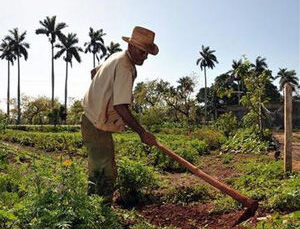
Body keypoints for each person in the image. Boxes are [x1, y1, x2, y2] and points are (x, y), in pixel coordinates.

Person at [81, 26, 159, 203]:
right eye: (142, 51)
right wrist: (142, 133)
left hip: (90, 117)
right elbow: (121, 106)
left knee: (99, 168)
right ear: (131, 47)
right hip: (95, 123)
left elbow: (94, 72)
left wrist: (100, 93)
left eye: (147, 53)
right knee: (105, 172)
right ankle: (100, 213)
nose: (145, 56)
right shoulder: (125, 66)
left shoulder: (116, 56)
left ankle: (95, 209)